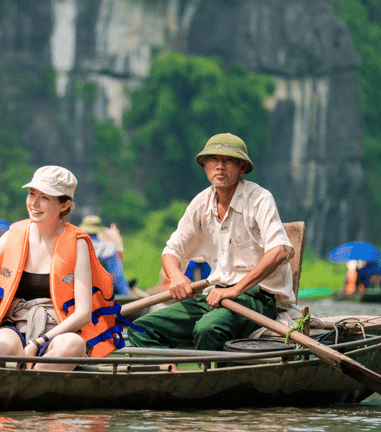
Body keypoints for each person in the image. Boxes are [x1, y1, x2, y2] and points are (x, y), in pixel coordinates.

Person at [127, 133, 296, 351]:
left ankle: (214, 382)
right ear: (205, 166)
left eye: (228, 160)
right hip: (216, 295)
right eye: (213, 160)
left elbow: (279, 251)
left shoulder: (259, 199)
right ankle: (169, 376)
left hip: (258, 297)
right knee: (140, 328)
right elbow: (171, 250)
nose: (220, 166)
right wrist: (177, 277)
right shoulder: (201, 203)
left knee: (208, 329)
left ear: (242, 168)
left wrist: (235, 290)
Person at [0, 166, 125, 370]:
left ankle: (32, 388)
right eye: (31, 194)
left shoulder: (77, 243)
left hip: (57, 330)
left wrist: (38, 343)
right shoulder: (12, 236)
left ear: (64, 205)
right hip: (16, 323)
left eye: (44, 198)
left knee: (74, 344)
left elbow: (83, 313)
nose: (34, 203)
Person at [80, 215, 131, 297]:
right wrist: (125, 294)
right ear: (99, 229)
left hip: (81, 293)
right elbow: (117, 275)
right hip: (105, 294)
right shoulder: (109, 247)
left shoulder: (76, 245)